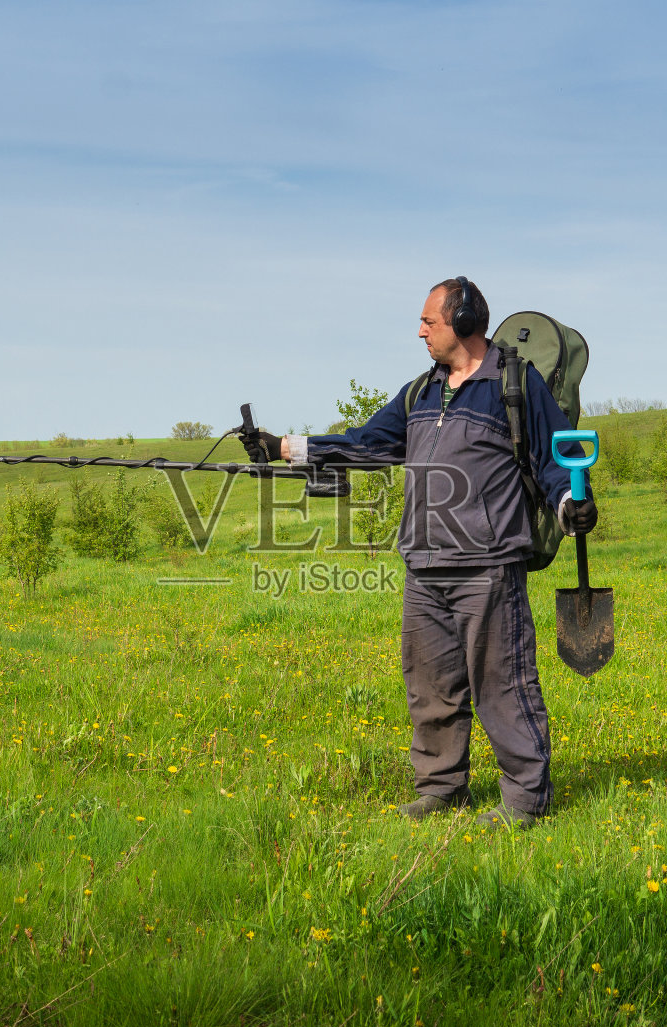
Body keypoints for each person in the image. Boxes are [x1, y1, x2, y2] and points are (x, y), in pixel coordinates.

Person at [239, 278, 597, 829]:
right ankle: (441, 788)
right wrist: (285, 447)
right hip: (424, 567)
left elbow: (558, 457)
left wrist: (573, 500)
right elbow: (366, 442)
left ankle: (526, 801)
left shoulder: (514, 385)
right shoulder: (421, 392)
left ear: (464, 319)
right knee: (430, 688)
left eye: (430, 321)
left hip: (489, 565)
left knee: (503, 686)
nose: (421, 331)